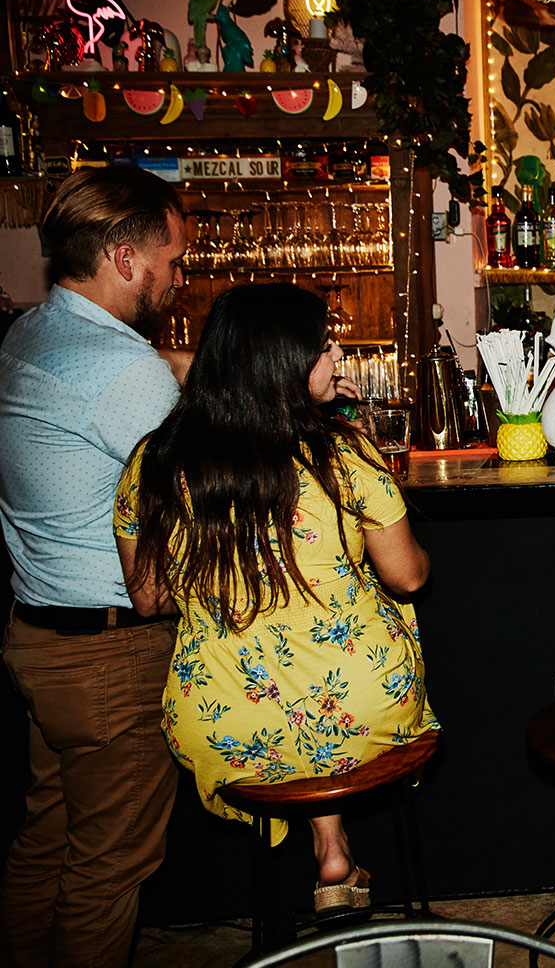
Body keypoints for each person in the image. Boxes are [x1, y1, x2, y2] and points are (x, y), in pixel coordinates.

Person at [114, 283, 436, 916]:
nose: (339, 354)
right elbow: (408, 578)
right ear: (284, 363)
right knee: (336, 668)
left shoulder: (155, 462)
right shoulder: (342, 455)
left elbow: (149, 598)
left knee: (284, 674)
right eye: (324, 346)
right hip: (362, 707)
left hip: (224, 723)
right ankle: (334, 847)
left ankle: (329, 848)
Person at [0, 167, 187, 968]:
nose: (182, 277)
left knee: (46, 840)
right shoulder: (123, 370)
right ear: (123, 256)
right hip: (112, 655)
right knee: (107, 871)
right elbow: (198, 498)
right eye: (173, 260)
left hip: (39, 637)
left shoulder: (31, 332)